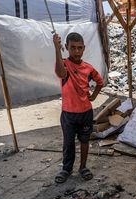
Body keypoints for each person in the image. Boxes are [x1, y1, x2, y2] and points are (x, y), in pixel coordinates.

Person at [53, 32, 103, 183]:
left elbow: (100, 82)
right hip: (68, 114)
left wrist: (93, 96)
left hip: (86, 112)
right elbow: (60, 72)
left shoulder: (88, 68)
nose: (76, 51)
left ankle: (83, 167)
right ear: (66, 47)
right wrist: (56, 48)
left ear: (84, 48)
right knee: (68, 143)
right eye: (73, 48)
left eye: (79, 48)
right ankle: (66, 169)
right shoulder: (64, 64)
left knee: (85, 141)